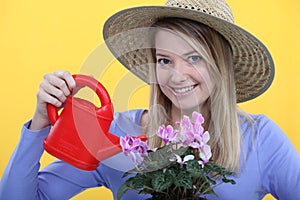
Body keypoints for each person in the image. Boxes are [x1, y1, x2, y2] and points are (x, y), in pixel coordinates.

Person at [0, 0, 299, 199]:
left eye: (193, 58)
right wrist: (39, 123)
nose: (176, 76)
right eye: (165, 60)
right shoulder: (118, 134)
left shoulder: (260, 138)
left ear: (220, 65)